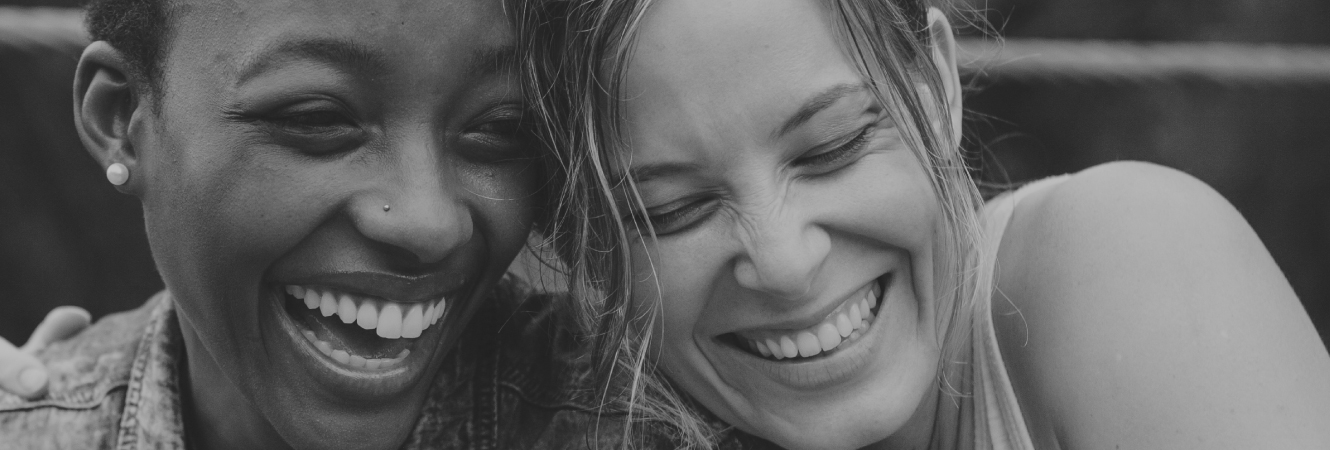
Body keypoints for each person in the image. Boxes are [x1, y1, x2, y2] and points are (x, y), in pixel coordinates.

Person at [530, 0, 1330, 448]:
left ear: (936, 85)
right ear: (589, 254)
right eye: (673, 210)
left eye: (834, 146)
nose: (783, 260)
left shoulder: (1129, 254)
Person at [0, 0, 669, 448]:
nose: (427, 222)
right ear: (122, 118)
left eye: (502, 128)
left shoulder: (645, 427)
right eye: (317, 119)